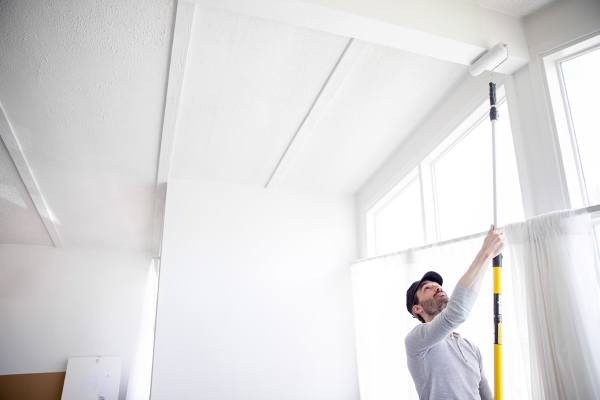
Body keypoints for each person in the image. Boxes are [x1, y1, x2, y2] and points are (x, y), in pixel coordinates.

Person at [405, 225, 504, 400]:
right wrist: (485, 253)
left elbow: (486, 395)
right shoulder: (417, 341)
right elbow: (456, 313)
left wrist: (488, 258)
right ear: (417, 308)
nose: (436, 287)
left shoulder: (471, 348)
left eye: (438, 285)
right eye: (427, 288)